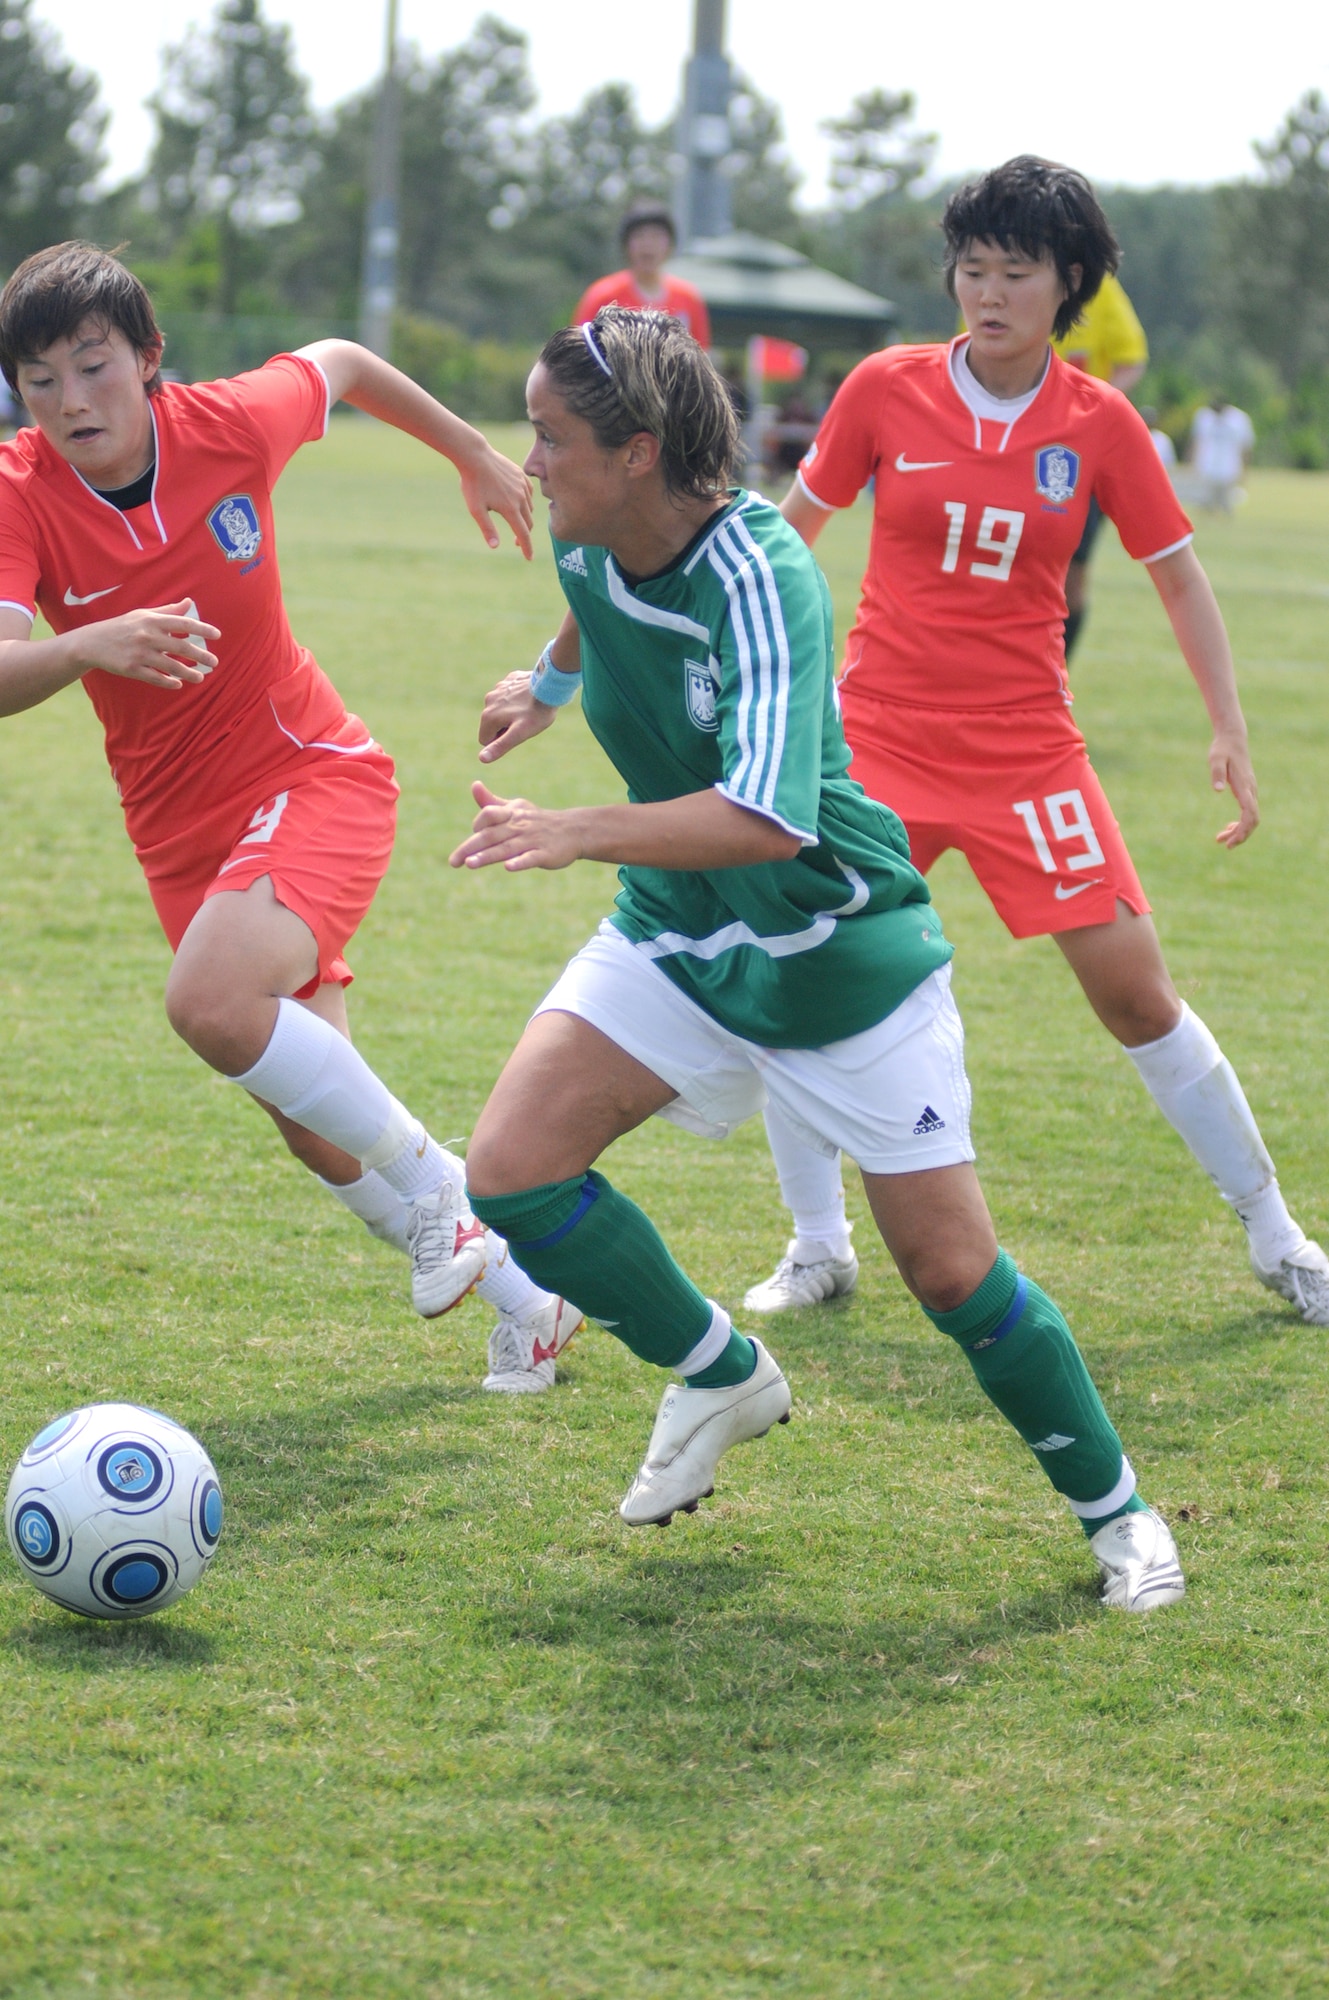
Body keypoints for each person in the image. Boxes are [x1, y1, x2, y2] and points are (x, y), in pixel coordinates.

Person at [461, 304, 1185, 1613]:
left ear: (635, 454)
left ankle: (1120, 1516)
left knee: (952, 1273)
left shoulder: (760, 572)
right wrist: (546, 689)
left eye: (549, 438)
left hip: (830, 944)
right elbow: (589, 605)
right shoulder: (589, 537)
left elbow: (766, 816)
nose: (530, 463)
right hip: (680, 932)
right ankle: (720, 1370)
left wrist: (576, 830)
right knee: (512, 1174)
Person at [731, 155, 1328, 1330]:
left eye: (1017, 271)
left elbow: (1179, 576)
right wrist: (747, 682)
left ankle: (1280, 1236)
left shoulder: (1102, 424)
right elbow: (786, 540)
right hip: (878, 746)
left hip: (1027, 754)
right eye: (972, 268)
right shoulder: (883, 390)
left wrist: (1230, 727)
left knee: (1137, 995)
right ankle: (816, 1245)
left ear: (1071, 286)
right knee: (806, 973)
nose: (988, 292)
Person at [0, 241, 582, 1395]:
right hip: (179, 832)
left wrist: (468, 448)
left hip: (311, 774)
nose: (71, 400)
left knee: (211, 1003)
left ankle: (446, 1200)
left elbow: (347, 362)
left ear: (150, 360)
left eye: (94, 366)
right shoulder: (20, 492)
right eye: (40, 379)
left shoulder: (228, 423)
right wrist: (84, 646)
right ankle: (532, 1305)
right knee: (313, 1121)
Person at [1051, 269, 1149, 658]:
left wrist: (1093, 407)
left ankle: (1056, 671)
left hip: (1081, 456)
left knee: (1072, 579)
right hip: (1011, 446)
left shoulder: (1100, 288)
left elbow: (1132, 359)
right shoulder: (1003, 281)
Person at [573, 203, 712, 348]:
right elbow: (579, 351)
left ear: (670, 245)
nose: (648, 244)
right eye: (639, 236)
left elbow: (701, 356)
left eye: (656, 236)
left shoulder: (689, 299)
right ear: (626, 245)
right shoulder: (602, 296)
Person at [1189, 395, 1254, 513]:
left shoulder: (1239, 419)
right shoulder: (1204, 417)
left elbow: (1246, 445)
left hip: (1229, 465)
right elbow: (1196, 441)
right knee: (1206, 500)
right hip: (1207, 464)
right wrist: (1193, 461)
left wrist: (1245, 468)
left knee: (1226, 500)